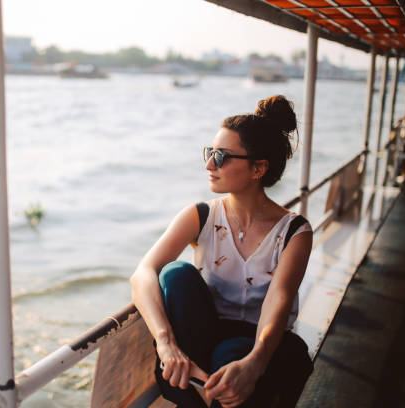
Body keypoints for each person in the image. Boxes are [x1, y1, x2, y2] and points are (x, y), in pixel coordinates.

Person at [130, 95, 314, 407]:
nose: (208, 165)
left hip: (260, 344)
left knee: (231, 357)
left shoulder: (294, 231)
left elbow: (278, 302)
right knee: (176, 273)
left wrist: (254, 363)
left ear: (258, 168)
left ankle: (206, 387)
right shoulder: (200, 215)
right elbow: (143, 273)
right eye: (210, 153)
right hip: (203, 335)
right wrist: (166, 344)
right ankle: (201, 381)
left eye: (221, 156)